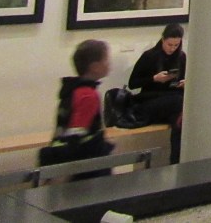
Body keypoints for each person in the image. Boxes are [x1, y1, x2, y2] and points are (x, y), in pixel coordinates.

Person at [39, 40, 115, 178]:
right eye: (106, 59)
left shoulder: (73, 90)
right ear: (95, 67)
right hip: (86, 163)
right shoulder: (87, 95)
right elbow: (77, 133)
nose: (109, 63)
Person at [128, 22, 186, 163]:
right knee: (179, 103)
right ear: (163, 40)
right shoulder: (149, 56)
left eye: (176, 45)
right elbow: (133, 83)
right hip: (149, 100)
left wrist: (183, 83)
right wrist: (154, 78)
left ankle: (175, 162)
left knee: (179, 123)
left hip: (171, 101)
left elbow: (180, 79)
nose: (172, 48)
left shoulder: (181, 57)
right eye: (169, 44)